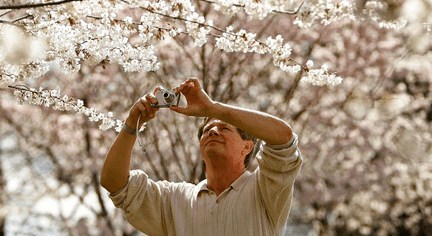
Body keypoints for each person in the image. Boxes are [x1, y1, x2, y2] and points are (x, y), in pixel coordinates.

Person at [100, 77, 303, 236]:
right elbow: (115, 184)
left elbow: (284, 138)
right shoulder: (175, 199)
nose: (213, 131)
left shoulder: (264, 190)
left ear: (248, 147)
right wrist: (131, 124)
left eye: (224, 128)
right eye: (207, 130)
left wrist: (212, 108)